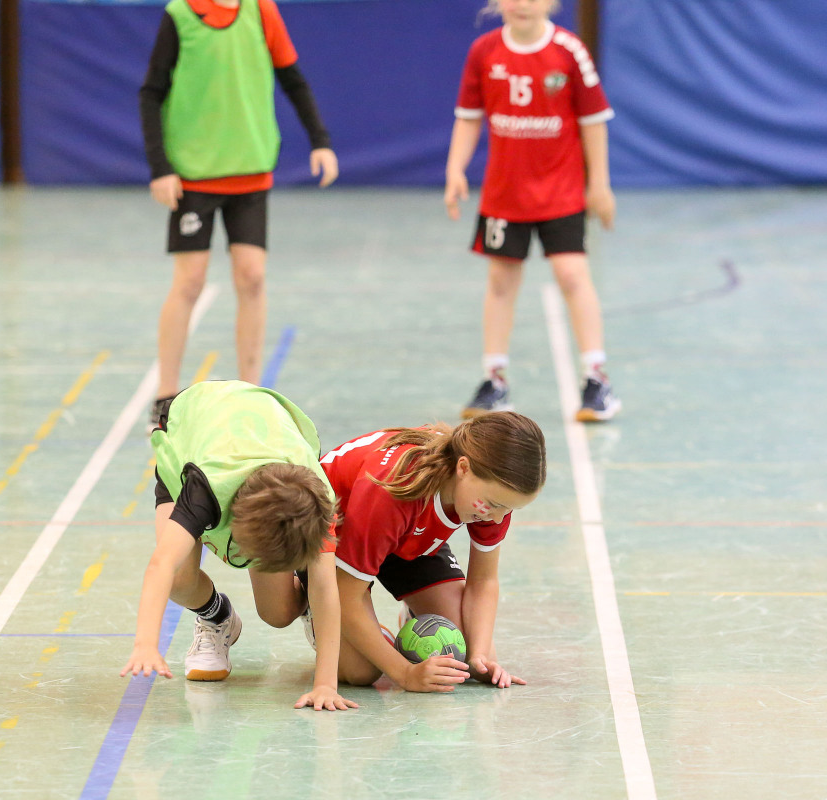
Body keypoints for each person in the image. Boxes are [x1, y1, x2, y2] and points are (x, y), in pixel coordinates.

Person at [139, 0, 338, 430]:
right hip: (194, 175)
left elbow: (293, 79)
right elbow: (151, 92)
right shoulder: (181, 15)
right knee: (189, 281)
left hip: (250, 173)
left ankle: (252, 392)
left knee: (252, 277)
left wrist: (320, 140)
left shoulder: (262, 11)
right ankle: (165, 395)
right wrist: (160, 167)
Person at [121, 380, 357, 711]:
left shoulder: (315, 500)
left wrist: (325, 685)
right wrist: (146, 644)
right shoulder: (204, 489)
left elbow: (325, 584)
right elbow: (162, 564)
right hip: (192, 431)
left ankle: (305, 607)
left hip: (260, 426)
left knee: (277, 613)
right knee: (178, 579)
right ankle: (215, 616)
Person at [445, 0, 621, 422]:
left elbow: (593, 120)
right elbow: (468, 117)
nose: (522, 3)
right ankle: (494, 381)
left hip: (561, 192)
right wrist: (455, 169)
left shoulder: (569, 51)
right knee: (501, 281)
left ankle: (596, 379)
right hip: (505, 195)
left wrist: (599, 184)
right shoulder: (484, 51)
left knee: (572, 275)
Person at [318, 411, 545, 692]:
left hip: (409, 538)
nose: (498, 518)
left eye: (509, 509)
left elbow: (484, 581)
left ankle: (415, 615)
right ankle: (312, 606)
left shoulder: (492, 496)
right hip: (336, 542)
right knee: (361, 671)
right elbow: (346, 596)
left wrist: (480, 656)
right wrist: (405, 673)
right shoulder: (393, 489)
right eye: (495, 505)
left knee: (466, 656)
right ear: (463, 468)